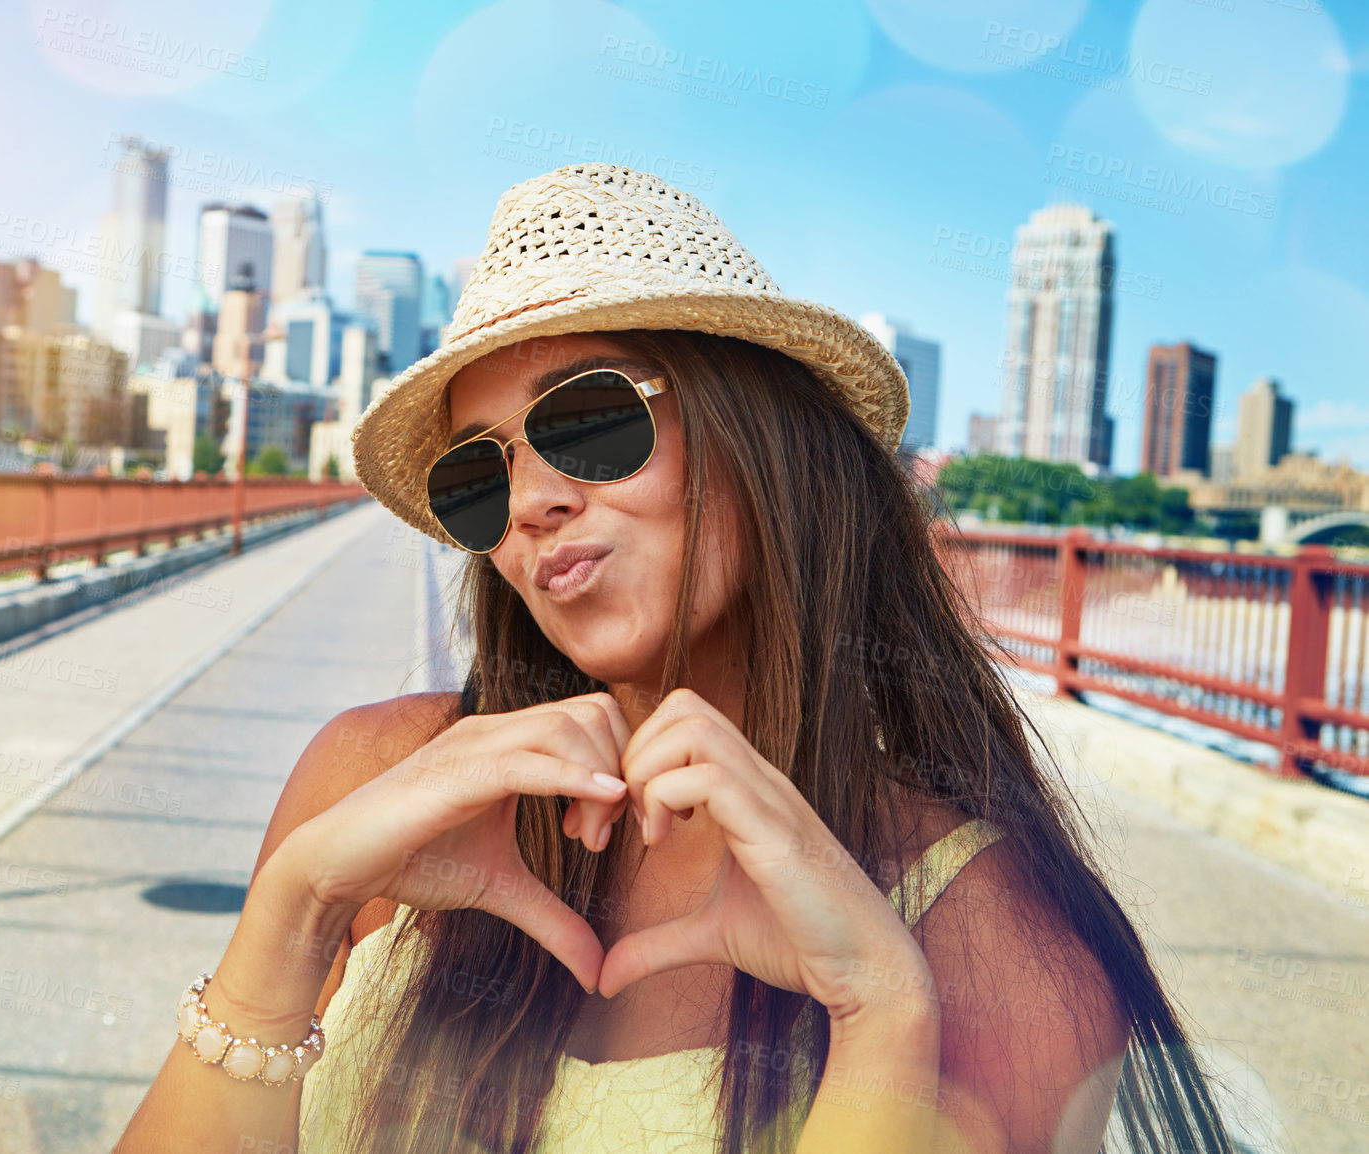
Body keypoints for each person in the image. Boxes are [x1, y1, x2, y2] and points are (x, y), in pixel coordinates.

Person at [115, 163, 1234, 1153]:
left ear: (765, 434)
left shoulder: (994, 937)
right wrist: (295, 913)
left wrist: (881, 1011)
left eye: (589, 422)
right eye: (478, 477)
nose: (535, 502)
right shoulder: (377, 781)